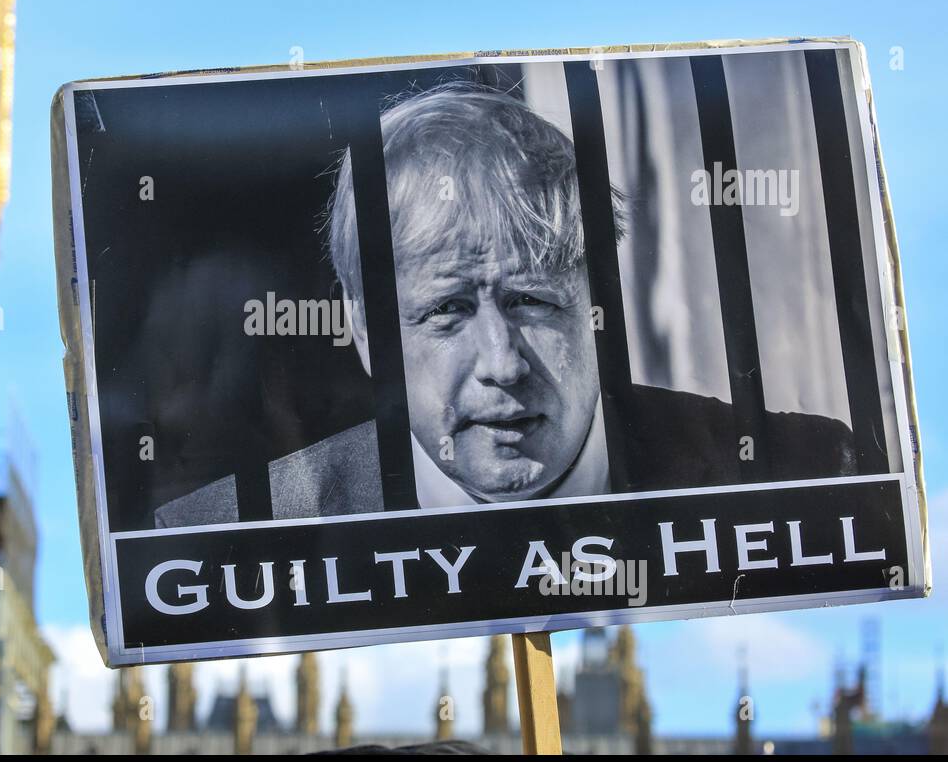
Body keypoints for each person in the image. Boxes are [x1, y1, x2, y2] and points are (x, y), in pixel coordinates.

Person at [155, 83, 854, 528]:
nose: (502, 364)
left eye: (530, 299)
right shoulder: (224, 532)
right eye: (448, 310)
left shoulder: (815, 470)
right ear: (366, 334)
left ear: (596, 303)